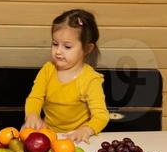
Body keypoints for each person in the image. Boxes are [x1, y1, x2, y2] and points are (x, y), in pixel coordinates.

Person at [23, 8, 109, 142]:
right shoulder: (48, 69)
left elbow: (101, 116)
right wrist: (32, 115)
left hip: (76, 138)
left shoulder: (90, 79)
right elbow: (35, 98)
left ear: (87, 49)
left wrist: (86, 130)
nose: (58, 51)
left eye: (67, 47)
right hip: (48, 135)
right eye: (55, 44)